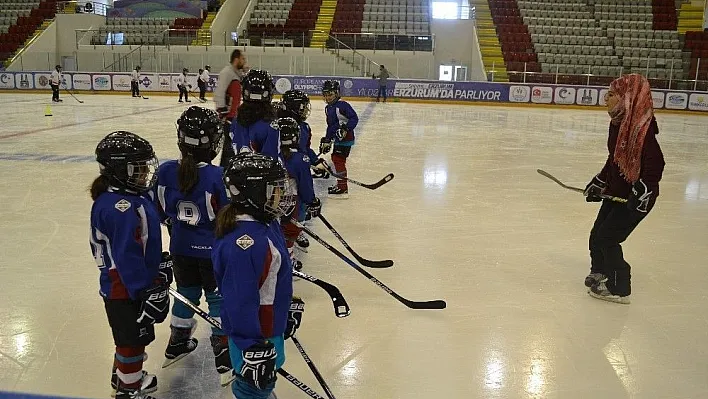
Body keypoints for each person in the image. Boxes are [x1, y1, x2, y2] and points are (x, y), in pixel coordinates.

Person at [153, 106, 235, 386]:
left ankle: (177, 341)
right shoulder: (216, 176)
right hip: (213, 251)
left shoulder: (164, 172)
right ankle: (223, 355)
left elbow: (159, 210)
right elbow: (228, 215)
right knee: (217, 298)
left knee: (185, 294)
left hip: (180, 248)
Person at [212, 152, 304, 399]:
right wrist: (250, 345)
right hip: (255, 334)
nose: (281, 196)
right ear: (252, 194)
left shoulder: (265, 224)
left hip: (267, 326)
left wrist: (285, 308)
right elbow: (240, 300)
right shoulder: (246, 244)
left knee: (263, 385)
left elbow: (270, 278)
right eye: (274, 189)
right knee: (252, 388)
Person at [89, 131, 172, 399]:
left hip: (126, 284)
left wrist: (157, 262)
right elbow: (126, 255)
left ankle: (124, 377)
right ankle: (129, 389)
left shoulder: (125, 198)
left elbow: (141, 244)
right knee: (131, 342)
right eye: (136, 169)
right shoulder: (120, 207)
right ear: (116, 170)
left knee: (130, 338)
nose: (143, 174)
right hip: (124, 289)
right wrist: (143, 289)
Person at [583, 74, 665, 304]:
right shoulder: (619, 124)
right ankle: (601, 271)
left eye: (611, 95)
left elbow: (656, 163)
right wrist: (600, 182)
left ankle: (619, 288)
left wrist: (644, 190)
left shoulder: (642, 129)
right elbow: (615, 160)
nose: (605, 100)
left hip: (635, 198)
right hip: (618, 192)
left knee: (608, 238)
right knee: (596, 235)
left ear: (627, 98)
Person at [277, 89, 323, 251]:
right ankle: (292, 233)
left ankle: (296, 230)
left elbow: (306, 149)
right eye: (302, 107)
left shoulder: (303, 127)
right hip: (290, 173)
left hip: (296, 168)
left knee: (295, 208)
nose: (305, 110)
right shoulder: (276, 125)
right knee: (296, 203)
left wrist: (315, 161)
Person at [274, 117, 321, 271]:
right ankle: (288, 262)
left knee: (278, 229)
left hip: (273, 201)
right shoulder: (300, 159)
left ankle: (278, 257)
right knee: (292, 230)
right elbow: (305, 185)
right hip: (293, 203)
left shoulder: (271, 155)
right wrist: (311, 201)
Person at [320, 80, 358, 198]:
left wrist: (346, 129)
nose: (328, 97)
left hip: (346, 139)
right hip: (338, 139)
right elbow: (331, 126)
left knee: (338, 160)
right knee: (336, 159)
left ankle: (343, 188)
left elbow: (354, 118)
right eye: (325, 94)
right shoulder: (328, 108)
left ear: (336, 93)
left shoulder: (343, 105)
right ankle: (341, 185)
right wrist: (327, 139)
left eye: (330, 94)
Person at [230, 69, 279, 158]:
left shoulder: (236, 120)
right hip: (262, 170)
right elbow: (272, 158)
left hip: (237, 169)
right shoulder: (270, 125)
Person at [215, 49, 248, 167]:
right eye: (243, 59)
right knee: (229, 147)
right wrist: (223, 113)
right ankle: (224, 171)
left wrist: (245, 72)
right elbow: (219, 92)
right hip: (228, 117)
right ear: (236, 59)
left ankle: (226, 170)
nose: (244, 61)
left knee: (230, 147)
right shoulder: (227, 72)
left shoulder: (234, 73)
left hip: (233, 117)